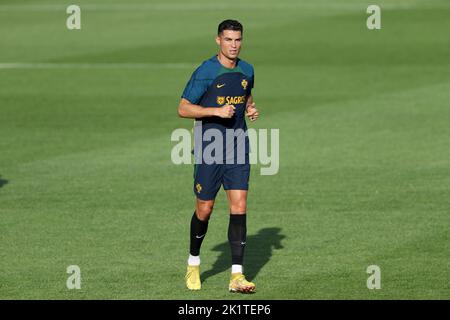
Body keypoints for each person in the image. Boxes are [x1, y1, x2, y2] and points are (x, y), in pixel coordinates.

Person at [178, 19, 259, 293]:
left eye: (237, 40)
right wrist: (215, 111)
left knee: (239, 206)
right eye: (228, 40)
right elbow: (184, 108)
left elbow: (246, 95)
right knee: (205, 209)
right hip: (209, 148)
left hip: (237, 146)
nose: (233, 45)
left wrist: (250, 108)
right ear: (218, 41)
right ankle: (193, 263)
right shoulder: (206, 71)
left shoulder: (247, 69)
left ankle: (237, 276)